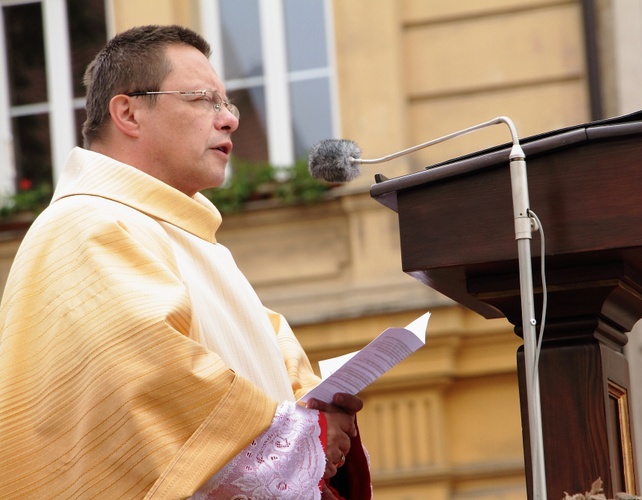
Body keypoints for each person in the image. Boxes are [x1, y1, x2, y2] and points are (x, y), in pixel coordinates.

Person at [0, 25, 370, 499]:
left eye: (228, 104)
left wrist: (322, 415)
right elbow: (152, 380)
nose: (229, 120)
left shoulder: (194, 241)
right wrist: (301, 439)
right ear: (128, 113)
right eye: (203, 100)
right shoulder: (85, 224)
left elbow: (276, 364)